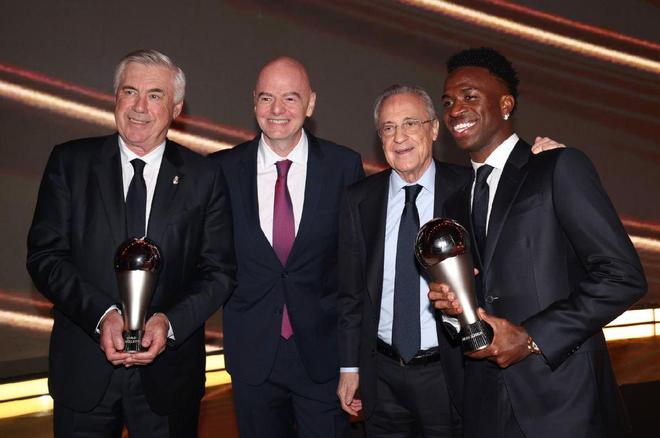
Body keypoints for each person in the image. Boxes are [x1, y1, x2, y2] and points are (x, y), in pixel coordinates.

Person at [431, 47, 647, 438]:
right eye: (447, 102)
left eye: (469, 96)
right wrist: (452, 309)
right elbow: (482, 292)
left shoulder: (556, 166)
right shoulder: (454, 203)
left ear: (506, 104)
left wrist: (532, 338)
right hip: (486, 406)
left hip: (564, 399)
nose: (455, 109)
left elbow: (622, 276)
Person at [26, 49, 236, 438]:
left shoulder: (204, 176)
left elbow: (219, 272)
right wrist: (101, 315)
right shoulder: (70, 163)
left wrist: (168, 323)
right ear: (115, 98)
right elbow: (45, 257)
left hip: (169, 378)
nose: (139, 106)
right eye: (129, 91)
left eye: (155, 95)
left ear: (176, 109)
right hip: (84, 373)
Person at [336, 84, 564, 437]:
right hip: (382, 376)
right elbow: (351, 294)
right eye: (388, 128)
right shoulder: (359, 199)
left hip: (451, 371)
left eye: (411, 123)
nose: (399, 137)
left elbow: (522, 214)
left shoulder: (470, 187)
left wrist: (547, 163)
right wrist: (350, 368)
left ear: (433, 129)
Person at [209, 56, 364, 438]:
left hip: (324, 358)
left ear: (311, 104)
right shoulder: (220, 170)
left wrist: (352, 362)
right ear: (254, 103)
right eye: (266, 98)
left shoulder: (344, 167)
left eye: (290, 98)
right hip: (252, 357)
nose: (277, 109)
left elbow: (355, 271)